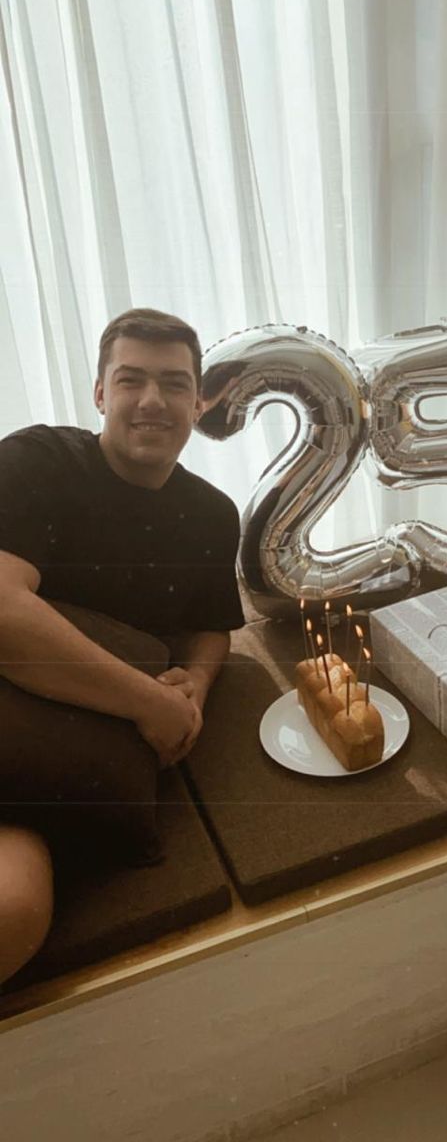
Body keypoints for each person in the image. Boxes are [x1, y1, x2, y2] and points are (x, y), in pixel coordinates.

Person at [0, 308, 244, 982]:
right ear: (101, 393)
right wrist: (149, 703)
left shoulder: (211, 514)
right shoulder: (39, 459)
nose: (151, 401)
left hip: (57, 762)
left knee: (12, 913)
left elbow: (210, 626)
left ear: (199, 402)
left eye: (172, 384)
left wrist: (195, 683)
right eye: (130, 379)